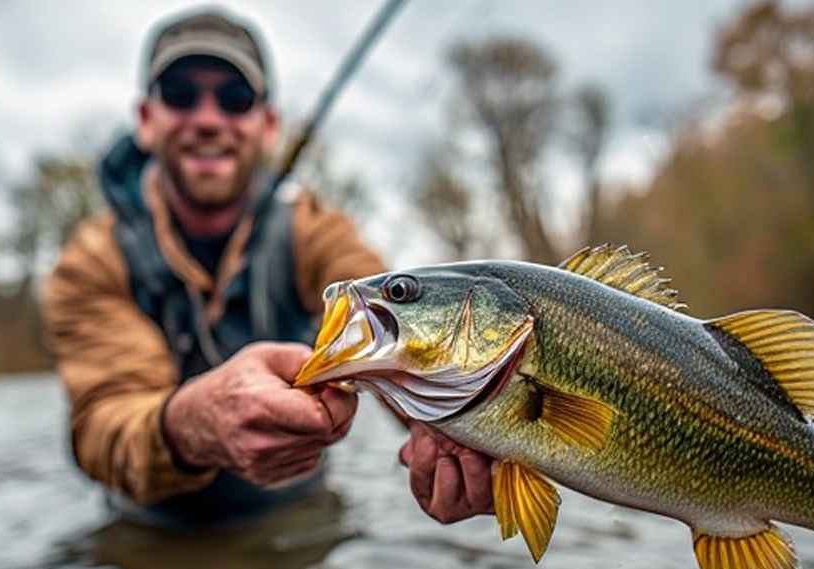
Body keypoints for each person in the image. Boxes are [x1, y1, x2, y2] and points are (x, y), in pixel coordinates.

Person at [42, 7, 493, 528]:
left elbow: (407, 333)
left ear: (269, 126)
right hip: (156, 535)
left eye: (235, 99)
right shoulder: (91, 260)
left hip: (296, 520)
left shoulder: (315, 230)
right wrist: (187, 425)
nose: (208, 120)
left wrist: (459, 426)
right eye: (181, 95)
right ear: (146, 119)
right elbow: (103, 426)